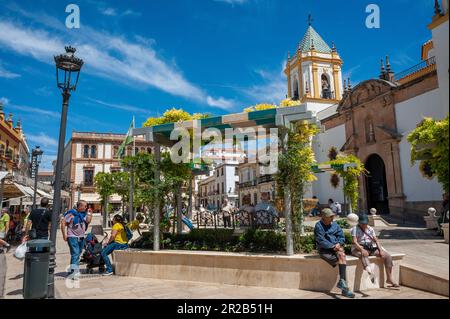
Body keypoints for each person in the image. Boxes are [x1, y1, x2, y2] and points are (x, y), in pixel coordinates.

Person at [314, 208, 355, 298]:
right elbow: (321, 240)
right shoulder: (318, 226)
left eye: (333, 216)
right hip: (325, 251)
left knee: (342, 256)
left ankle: (342, 284)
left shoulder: (335, 224)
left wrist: (338, 244)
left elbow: (341, 236)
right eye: (330, 216)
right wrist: (333, 246)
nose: (332, 218)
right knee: (342, 261)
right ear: (324, 217)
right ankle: (344, 289)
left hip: (336, 248)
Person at [351, 214, 399, 287]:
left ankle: (389, 278)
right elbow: (354, 242)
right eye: (363, 223)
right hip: (358, 248)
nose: (364, 225)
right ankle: (371, 274)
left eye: (366, 223)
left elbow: (376, 240)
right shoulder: (355, 229)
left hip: (370, 248)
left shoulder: (370, 229)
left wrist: (380, 250)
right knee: (363, 254)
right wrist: (362, 249)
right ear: (359, 222)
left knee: (387, 256)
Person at [61, 200, 93, 275]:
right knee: (75, 254)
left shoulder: (83, 214)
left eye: (86, 206)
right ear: (79, 206)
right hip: (72, 237)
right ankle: (73, 272)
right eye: (84, 206)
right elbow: (63, 223)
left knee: (77, 254)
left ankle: (74, 269)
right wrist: (64, 235)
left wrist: (90, 214)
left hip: (81, 237)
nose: (86, 207)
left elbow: (88, 221)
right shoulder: (71, 213)